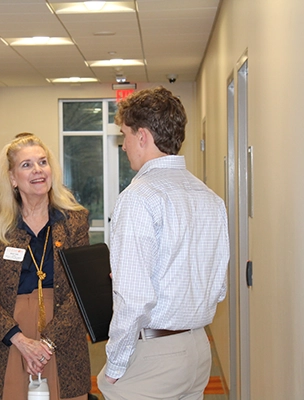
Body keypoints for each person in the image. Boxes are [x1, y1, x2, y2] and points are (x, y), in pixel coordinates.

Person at [97, 87, 229, 400]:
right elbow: (218, 287)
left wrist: (115, 363)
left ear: (142, 136)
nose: (124, 145)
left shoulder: (139, 196)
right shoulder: (210, 198)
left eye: (125, 135)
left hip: (154, 355)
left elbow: (134, 298)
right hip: (197, 350)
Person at [0, 133, 93, 400]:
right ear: (12, 178)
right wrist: (20, 340)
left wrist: (46, 343)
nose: (38, 170)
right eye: (26, 165)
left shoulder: (74, 222)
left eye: (43, 162)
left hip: (62, 334)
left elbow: (83, 288)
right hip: (8, 337)